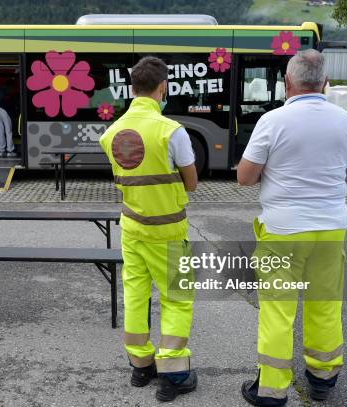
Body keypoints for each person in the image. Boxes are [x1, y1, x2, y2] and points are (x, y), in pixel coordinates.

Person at [237, 49, 347, 406]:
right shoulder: (345, 121)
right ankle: (323, 380)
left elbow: (245, 177)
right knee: (324, 303)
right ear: (324, 82)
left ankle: (273, 391)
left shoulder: (272, 120)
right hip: (331, 228)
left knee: (278, 309)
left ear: (287, 83)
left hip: (283, 232)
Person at [99, 56, 199, 402]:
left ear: (131, 89)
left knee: (136, 295)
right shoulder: (172, 131)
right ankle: (174, 376)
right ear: (163, 89)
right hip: (169, 230)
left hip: (132, 227)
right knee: (177, 298)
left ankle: (141, 367)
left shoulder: (110, 134)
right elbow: (192, 183)